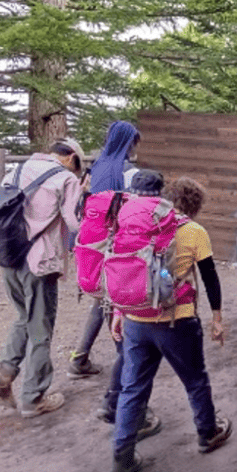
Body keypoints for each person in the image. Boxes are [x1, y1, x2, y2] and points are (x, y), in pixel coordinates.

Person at [110, 176, 231, 472]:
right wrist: (217, 318)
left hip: (137, 319)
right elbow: (210, 278)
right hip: (177, 320)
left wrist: (120, 312)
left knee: (132, 387)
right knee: (195, 380)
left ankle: (121, 460)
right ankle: (207, 433)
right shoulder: (193, 230)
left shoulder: (136, 227)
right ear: (194, 204)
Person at [0, 137, 87, 418]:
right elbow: (74, 221)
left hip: (9, 257)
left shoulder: (16, 170)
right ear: (70, 158)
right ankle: (33, 397)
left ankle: (5, 373)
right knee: (41, 329)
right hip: (39, 261)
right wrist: (82, 194)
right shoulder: (65, 179)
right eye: (77, 165)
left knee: (24, 317)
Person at [94, 169, 166, 442]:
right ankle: (128, 415)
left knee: (126, 353)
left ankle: (113, 404)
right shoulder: (153, 216)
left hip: (112, 287)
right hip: (134, 294)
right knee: (135, 358)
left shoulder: (119, 208)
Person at [68, 120, 141, 377]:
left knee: (103, 300)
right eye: (134, 143)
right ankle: (127, 365)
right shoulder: (127, 171)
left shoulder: (96, 167)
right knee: (115, 302)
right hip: (113, 244)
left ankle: (80, 358)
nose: (135, 148)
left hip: (90, 243)